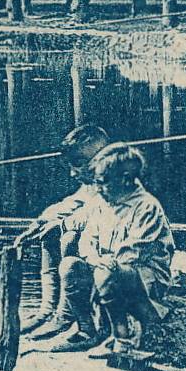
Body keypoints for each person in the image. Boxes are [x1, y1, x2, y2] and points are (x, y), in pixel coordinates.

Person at [42, 144, 176, 357]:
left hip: (144, 279)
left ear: (124, 179)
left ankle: (122, 340)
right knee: (70, 266)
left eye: (102, 183)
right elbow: (87, 242)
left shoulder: (147, 207)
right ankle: (88, 331)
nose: (98, 188)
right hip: (106, 269)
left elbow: (133, 252)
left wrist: (104, 264)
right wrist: (95, 259)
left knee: (105, 272)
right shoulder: (101, 204)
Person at [16, 125, 111, 336]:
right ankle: (47, 310)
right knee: (49, 234)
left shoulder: (116, 181)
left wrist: (62, 224)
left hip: (116, 258)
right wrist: (41, 222)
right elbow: (73, 202)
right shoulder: (92, 183)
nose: (72, 172)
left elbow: (93, 212)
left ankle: (65, 315)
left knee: (69, 238)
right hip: (97, 253)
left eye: (78, 164)